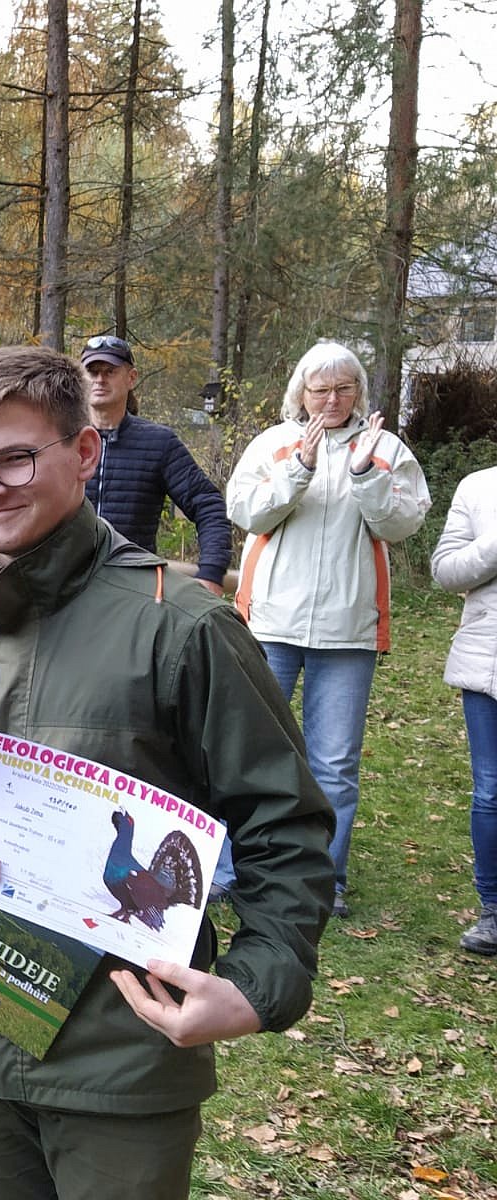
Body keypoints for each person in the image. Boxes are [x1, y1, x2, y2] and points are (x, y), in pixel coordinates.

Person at [0, 344, 334, 1200]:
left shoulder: (184, 627)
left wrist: (258, 983)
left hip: (124, 1051)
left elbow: (282, 821)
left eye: (15, 458)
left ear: (84, 452)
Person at [222, 340, 430, 917]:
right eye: (321, 390)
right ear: (302, 391)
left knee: (334, 764)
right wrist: (300, 468)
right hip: (271, 622)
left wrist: (365, 476)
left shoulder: (384, 447)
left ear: (358, 391)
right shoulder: (273, 443)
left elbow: (402, 523)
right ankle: (233, 867)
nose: (332, 399)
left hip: (348, 629)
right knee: (251, 750)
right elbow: (247, 512)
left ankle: (324, 878)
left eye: (343, 388)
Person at [79, 334, 231, 594]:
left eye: (110, 371)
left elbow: (208, 505)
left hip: (133, 591)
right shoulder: (62, 440)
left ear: (131, 378)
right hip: (66, 589)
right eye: (92, 372)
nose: (100, 379)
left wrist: (211, 573)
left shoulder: (158, 443)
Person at [431, 465, 497, 956]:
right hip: (487, 661)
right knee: (491, 791)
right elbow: (445, 570)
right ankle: (493, 910)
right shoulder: (479, 486)